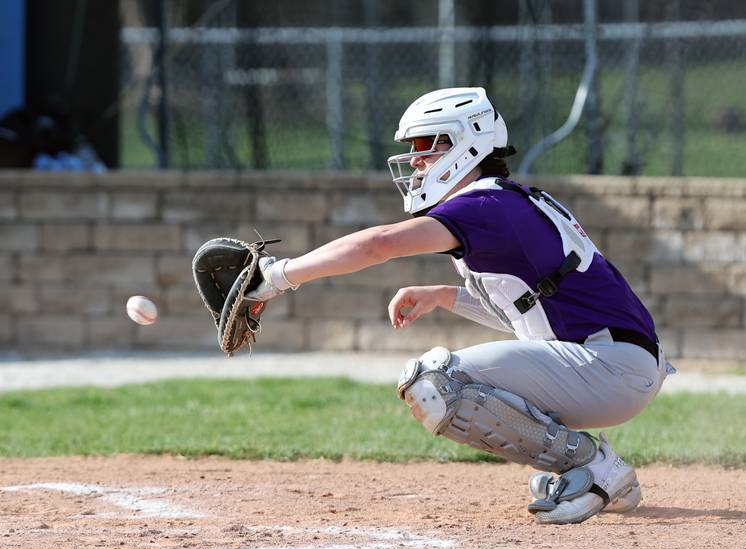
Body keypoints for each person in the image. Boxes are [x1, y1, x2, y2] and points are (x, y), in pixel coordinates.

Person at [245, 87, 672, 525]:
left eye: (429, 145)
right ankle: (594, 470)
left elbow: (378, 244)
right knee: (444, 379)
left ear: (470, 143)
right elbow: (529, 312)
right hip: (613, 363)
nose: (416, 160)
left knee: (434, 382)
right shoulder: (501, 200)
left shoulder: (486, 204)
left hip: (609, 365)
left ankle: (594, 466)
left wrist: (276, 277)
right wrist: (443, 295)